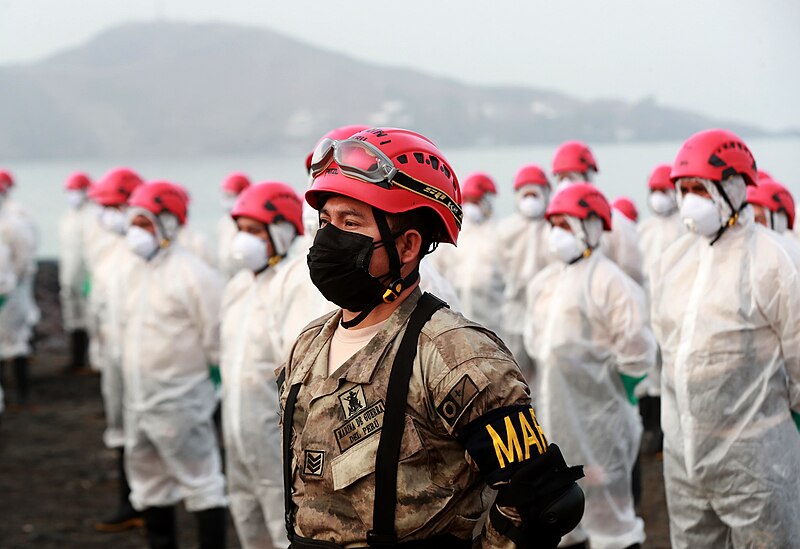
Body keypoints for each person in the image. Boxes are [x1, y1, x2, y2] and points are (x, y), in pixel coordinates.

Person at [279, 127, 585, 548]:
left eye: (350, 222)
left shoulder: (456, 354)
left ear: (407, 247)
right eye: (326, 221)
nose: (329, 237)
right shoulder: (308, 345)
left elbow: (543, 500)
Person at [649, 129, 800, 548]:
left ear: (734, 187)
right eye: (684, 188)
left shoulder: (776, 260)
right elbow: (669, 351)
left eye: (701, 187)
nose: (689, 198)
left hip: (757, 461)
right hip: (684, 458)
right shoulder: (674, 260)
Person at [523, 183, 655, 549]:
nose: (556, 235)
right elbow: (537, 346)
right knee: (562, 511)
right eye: (555, 225)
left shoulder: (614, 284)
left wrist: (618, 397)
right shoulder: (544, 283)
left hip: (602, 420)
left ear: (592, 228)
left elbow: (638, 352)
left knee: (609, 513)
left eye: (566, 225)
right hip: (556, 415)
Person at [116, 181, 227, 548]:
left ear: (168, 224)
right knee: (149, 485)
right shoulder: (132, 272)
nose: (137, 232)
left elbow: (216, 340)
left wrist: (213, 389)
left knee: (202, 484)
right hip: (138, 399)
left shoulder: (195, 276)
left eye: (145, 224)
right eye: (134, 223)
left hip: (182, 401)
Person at [221, 181, 304, 549]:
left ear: (282, 232)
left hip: (275, 438)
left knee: (283, 524)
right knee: (246, 517)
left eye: (255, 231)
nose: (244, 240)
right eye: (241, 230)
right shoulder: (237, 287)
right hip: (237, 432)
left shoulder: (293, 287)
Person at [85, 167, 146, 532]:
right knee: (120, 426)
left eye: (115, 206)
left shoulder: (164, 259)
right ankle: (129, 499)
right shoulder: (108, 252)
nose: (108, 214)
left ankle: (147, 498)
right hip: (116, 355)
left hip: (147, 363)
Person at [635, 164, 686, 453]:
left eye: (663, 191)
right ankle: (654, 430)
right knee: (650, 374)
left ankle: (672, 432)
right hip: (648, 310)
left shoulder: (685, 228)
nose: (658, 197)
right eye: (653, 191)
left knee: (673, 371)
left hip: (676, 312)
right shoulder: (643, 230)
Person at [551, 142, 644, 284]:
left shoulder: (615, 223)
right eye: (561, 178)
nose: (565, 183)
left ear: (587, 177)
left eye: (571, 177)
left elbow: (632, 274)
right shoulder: (554, 224)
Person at [496, 164, 552, 389]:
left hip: (546, 314)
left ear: (546, 193)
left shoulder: (554, 228)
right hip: (514, 314)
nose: (530, 200)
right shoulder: (505, 230)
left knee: (546, 376)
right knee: (516, 374)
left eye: (535, 194)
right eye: (525, 194)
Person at [432, 171, 505, 337]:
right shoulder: (456, 233)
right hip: (458, 315)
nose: (472, 207)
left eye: (476, 201)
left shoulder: (499, 234)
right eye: (468, 201)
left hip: (494, 320)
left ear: (487, 200)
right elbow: (438, 271)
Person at [0, 171, 39, 408]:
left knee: (15, 341)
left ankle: (22, 394)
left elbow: (23, 260)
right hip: (9, 290)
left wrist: (11, 284)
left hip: (12, 293)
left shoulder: (13, 224)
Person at [58, 172, 93, 373]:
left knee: (91, 319)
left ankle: (93, 360)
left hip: (85, 277)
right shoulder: (67, 218)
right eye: (70, 191)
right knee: (73, 319)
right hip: (69, 277)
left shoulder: (92, 217)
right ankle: (77, 359)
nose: (72, 195)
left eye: (76, 191)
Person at [218, 172, 251, 278]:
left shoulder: (252, 224)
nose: (227, 201)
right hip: (229, 277)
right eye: (225, 195)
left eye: (231, 196)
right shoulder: (224, 223)